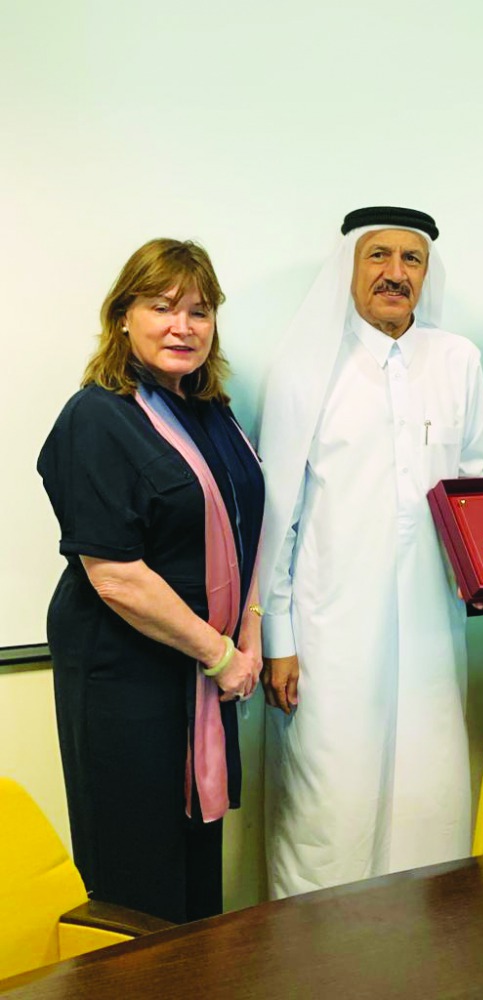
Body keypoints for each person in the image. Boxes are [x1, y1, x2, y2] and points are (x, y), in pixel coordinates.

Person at [259, 206, 483, 898]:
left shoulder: (459, 360)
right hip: (328, 632)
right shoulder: (307, 368)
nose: (395, 274)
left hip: (430, 631)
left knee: (431, 792)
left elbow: (473, 482)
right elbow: (278, 516)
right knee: (329, 805)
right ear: (351, 268)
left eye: (411, 260)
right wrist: (278, 636)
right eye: (378, 257)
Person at [37, 239, 264, 923]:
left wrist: (246, 635)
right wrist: (221, 652)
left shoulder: (210, 411)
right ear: (123, 315)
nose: (182, 326)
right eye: (163, 307)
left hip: (206, 669)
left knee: (197, 861)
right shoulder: (98, 416)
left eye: (199, 311)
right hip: (127, 674)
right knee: (137, 872)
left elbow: (243, 526)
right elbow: (115, 576)